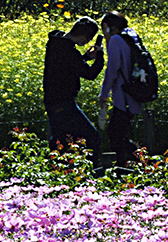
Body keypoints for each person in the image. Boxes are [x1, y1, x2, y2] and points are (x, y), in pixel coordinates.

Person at [43, 16, 104, 163]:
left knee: (61, 142)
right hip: (63, 103)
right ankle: (92, 170)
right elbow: (90, 74)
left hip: (53, 102)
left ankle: (58, 170)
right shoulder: (68, 51)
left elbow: (68, 67)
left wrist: (85, 57)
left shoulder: (56, 43)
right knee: (92, 137)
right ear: (83, 38)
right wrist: (100, 56)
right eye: (89, 39)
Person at [98, 11, 141, 168]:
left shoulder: (116, 40)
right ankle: (131, 164)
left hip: (123, 97)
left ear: (108, 27)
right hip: (135, 93)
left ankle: (137, 162)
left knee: (114, 134)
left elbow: (112, 69)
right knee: (121, 132)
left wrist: (104, 94)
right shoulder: (131, 35)